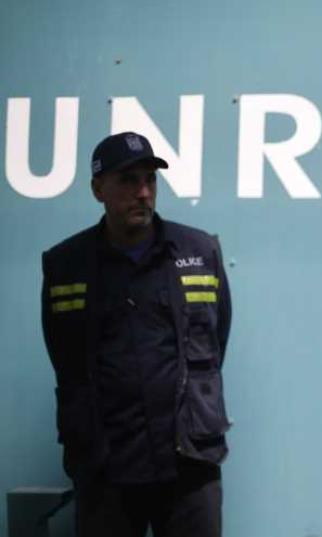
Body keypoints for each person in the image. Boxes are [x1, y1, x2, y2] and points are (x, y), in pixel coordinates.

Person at [40, 132, 232, 537]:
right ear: (98, 190)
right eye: (127, 181)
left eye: (150, 180)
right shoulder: (65, 265)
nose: (143, 192)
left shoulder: (199, 252)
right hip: (105, 465)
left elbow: (217, 342)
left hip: (188, 462)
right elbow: (64, 357)